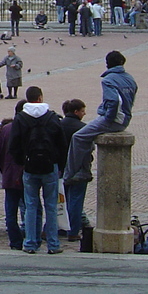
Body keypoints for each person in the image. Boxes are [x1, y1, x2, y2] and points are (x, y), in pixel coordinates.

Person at [62, 51, 137, 186]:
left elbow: (113, 100)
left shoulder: (108, 80)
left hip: (113, 120)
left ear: (107, 64)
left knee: (78, 137)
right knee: (87, 134)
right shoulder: (130, 79)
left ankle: (70, 175)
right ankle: (84, 169)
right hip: (125, 119)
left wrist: (108, 118)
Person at [10, 86, 67, 255]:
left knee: (31, 205)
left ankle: (30, 242)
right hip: (50, 166)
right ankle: (53, 243)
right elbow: (62, 144)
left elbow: (13, 145)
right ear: (41, 98)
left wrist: (22, 161)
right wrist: (59, 163)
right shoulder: (52, 117)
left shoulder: (21, 118)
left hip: (30, 166)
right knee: (50, 205)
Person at [0, 104, 25, 250]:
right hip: (26, 175)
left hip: (9, 176)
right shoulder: (28, 128)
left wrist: (4, 170)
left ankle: (15, 241)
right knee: (31, 208)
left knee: (11, 212)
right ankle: (32, 237)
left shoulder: (6, 129)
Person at [60, 99, 89, 241]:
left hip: (60, 168)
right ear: (76, 112)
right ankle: (73, 230)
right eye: (83, 111)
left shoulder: (59, 125)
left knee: (60, 201)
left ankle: (58, 227)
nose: (84, 113)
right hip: (78, 170)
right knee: (76, 201)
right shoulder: (83, 128)